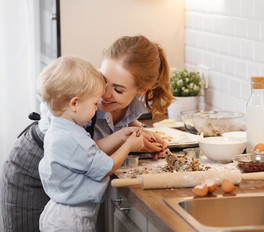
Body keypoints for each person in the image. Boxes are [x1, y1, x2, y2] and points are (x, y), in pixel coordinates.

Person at [0, 35, 175, 232]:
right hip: (32, 170)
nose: (104, 93)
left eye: (117, 89)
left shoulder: (131, 106)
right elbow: (79, 146)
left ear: (141, 90)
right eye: (104, 79)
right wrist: (127, 141)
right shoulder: (79, 92)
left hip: (70, 188)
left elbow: (107, 132)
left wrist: (139, 133)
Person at [37, 55, 145, 231]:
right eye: (94, 103)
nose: (97, 109)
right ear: (74, 104)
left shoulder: (63, 128)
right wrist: (129, 146)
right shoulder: (71, 136)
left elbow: (89, 153)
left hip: (58, 215)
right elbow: (107, 166)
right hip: (72, 221)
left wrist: (121, 136)